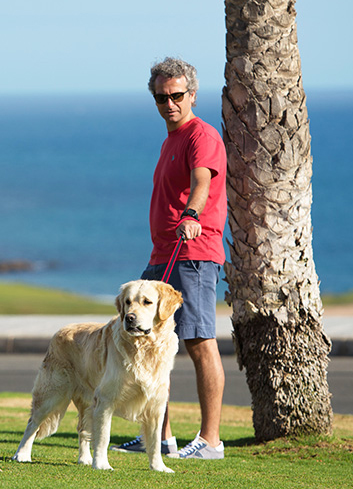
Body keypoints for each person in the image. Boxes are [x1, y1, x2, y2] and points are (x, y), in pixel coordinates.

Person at [111, 57, 227, 460]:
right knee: (149, 341)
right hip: (162, 255)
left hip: (193, 253)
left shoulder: (201, 135)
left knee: (198, 340)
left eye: (177, 95)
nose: (170, 103)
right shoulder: (170, 140)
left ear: (192, 95)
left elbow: (202, 181)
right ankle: (159, 438)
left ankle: (210, 441)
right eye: (162, 97)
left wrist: (192, 214)